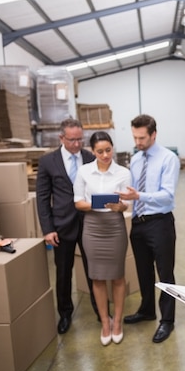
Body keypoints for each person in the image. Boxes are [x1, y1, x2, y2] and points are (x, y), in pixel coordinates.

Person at [118, 114, 180, 343]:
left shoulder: (168, 159)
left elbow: (168, 196)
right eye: (135, 137)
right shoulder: (135, 160)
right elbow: (132, 193)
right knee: (143, 270)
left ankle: (167, 320)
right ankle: (147, 310)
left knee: (165, 274)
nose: (138, 142)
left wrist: (139, 195)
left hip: (160, 223)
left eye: (142, 137)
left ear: (154, 134)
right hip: (138, 223)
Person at [36, 118, 100, 334]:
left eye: (80, 139)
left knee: (95, 270)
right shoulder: (48, 162)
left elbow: (99, 190)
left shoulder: (91, 158)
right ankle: (65, 314)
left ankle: (100, 310)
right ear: (61, 138)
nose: (76, 144)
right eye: (71, 140)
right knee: (63, 272)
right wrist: (47, 229)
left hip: (89, 223)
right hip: (61, 226)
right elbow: (43, 199)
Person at [73, 131, 131, 346]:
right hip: (93, 227)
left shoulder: (123, 172)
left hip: (115, 227)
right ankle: (105, 322)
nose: (105, 155)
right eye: (100, 151)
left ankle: (117, 321)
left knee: (117, 276)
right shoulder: (84, 172)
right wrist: (99, 204)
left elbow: (126, 204)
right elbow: (78, 202)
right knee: (97, 277)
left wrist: (119, 206)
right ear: (92, 151)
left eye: (108, 150)